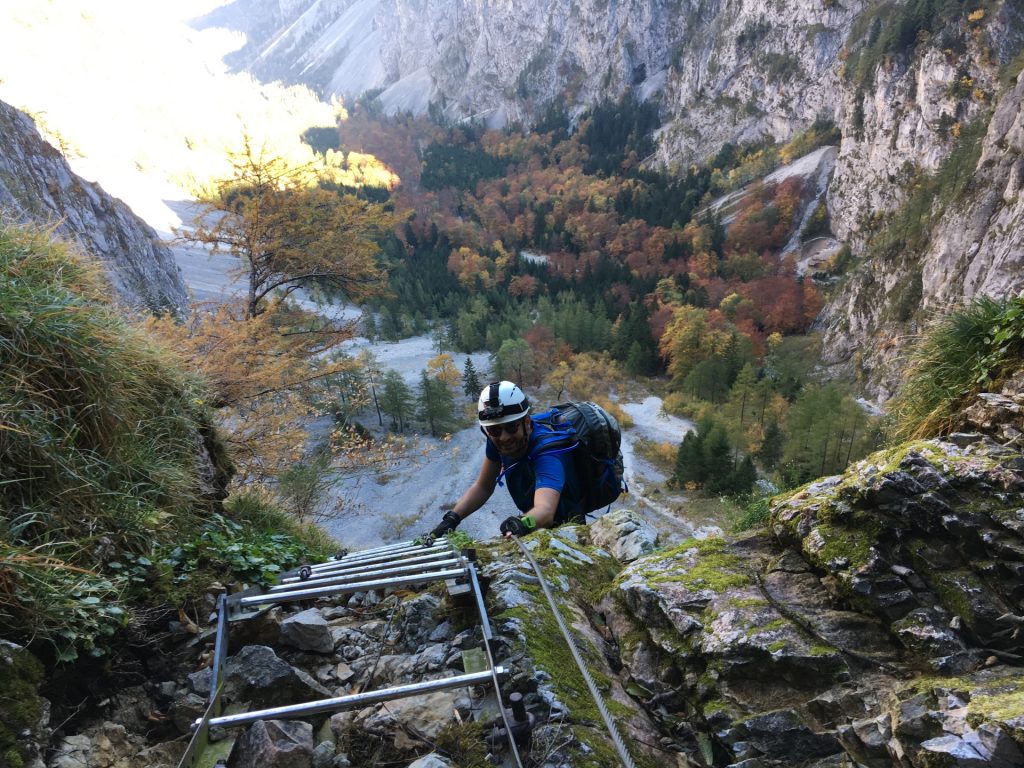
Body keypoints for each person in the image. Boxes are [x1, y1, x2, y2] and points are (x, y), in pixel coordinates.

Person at [423, 380, 585, 542]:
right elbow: (483, 486)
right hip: (531, 522)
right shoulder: (497, 441)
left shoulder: (547, 452)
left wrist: (521, 523)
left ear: (526, 423)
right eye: (494, 430)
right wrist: (452, 518)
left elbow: (546, 510)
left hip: (567, 529)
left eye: (512, 427)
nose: (504, 437)